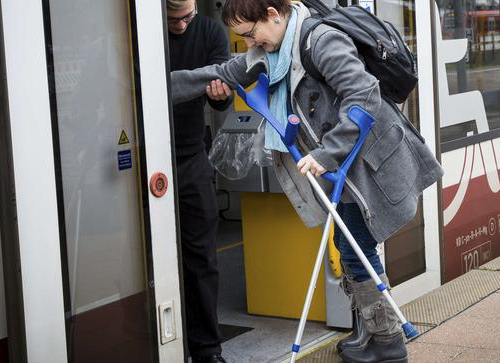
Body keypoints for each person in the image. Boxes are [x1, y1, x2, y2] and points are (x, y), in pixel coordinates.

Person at [170, 1, 443, 362]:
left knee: (355, 250)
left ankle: (388, 342)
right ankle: (377, 336)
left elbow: (364, 96)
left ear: (272, 14)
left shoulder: (320, 41)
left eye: (252, 35)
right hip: (346, 167)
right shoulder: (270, 51)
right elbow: (220, 72)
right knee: (352, 248)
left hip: (368, 163)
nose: (251, 45)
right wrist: (153, 92)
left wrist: (327, 153)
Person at [165, 1, 233, 362]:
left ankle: (207, 350)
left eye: (186, 18)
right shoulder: (141, 34)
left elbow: (223, 98)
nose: (180, 26)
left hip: (191, 155)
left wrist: (219, 94)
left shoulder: (209, 31)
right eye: (172, 19)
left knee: (201, 258)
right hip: (142, 159)